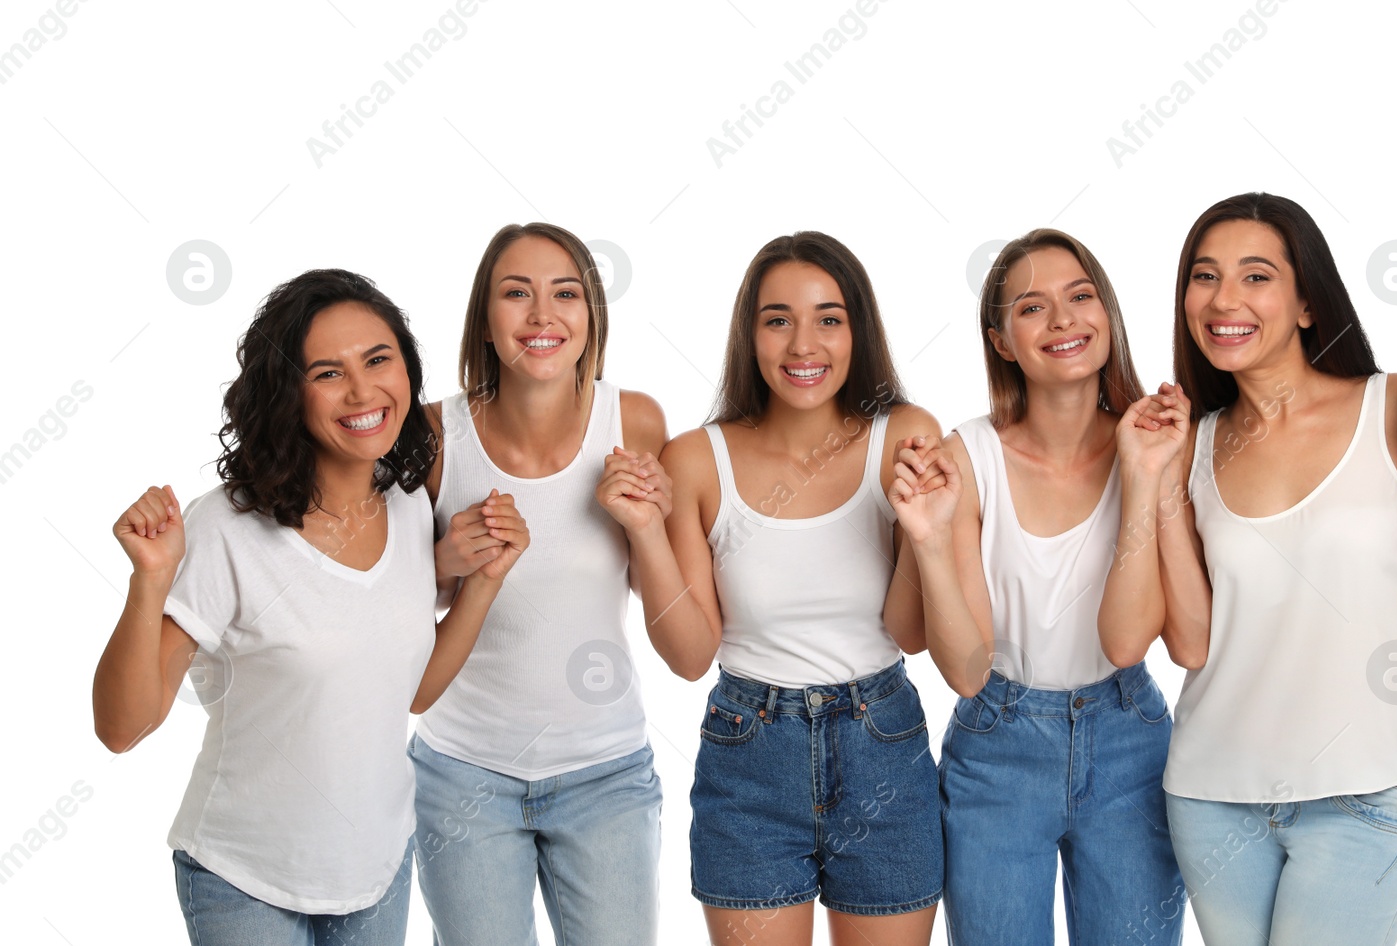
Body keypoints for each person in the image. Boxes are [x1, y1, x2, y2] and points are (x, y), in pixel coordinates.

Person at [93, 268, 524, 946]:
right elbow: (123, 728)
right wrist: (149, 580)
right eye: (328, 372)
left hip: (378, 870)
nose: (362, 391)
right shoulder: (226, 529)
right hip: (246, 880)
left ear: (407, 369)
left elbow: (407, 695)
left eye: (378, 360)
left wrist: (485, 583)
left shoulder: (410, 506)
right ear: (287, 394)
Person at [1152, 192, 1397, 945]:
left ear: (1308, 301)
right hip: (1212, 793)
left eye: (1255, 277)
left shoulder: (1396, 412)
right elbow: (1191, 642)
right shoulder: (1193, 444)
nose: (1223, 300)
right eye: (1204, 276)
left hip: (1362, 794)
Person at [890, 228, 1190, 945]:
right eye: (1032, 307)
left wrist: (1144, 477)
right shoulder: (967, 458)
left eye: (1080, 296)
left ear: (1107, 315)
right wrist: (926, 540)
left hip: (1130, 741)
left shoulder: (1153, 446)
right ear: (1000, 339)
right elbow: (964, 671)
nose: (1063, 320)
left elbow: (1128, 640)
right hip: (997, 745)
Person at [650, 231, 945, 946]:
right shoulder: (696, 459)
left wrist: (919, 530)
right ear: (749, 335)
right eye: (778, 319)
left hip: (882, 741)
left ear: (858, 331)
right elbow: (691, 656)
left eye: (829, 319)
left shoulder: (903, 436)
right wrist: (640, 530)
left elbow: (910, 633)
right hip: (749, 750)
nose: (802, 345)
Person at [411, 222, 681, 946]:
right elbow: (390, 612)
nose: (541, 316)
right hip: (462, 775)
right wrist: (444, 563)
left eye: (565, 293)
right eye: (516, 294)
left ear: (591, 314)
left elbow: (679, 622)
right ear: (485, 319)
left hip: (607, 777)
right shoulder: (435, 436)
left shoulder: (636, 423)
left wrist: (649, 522)